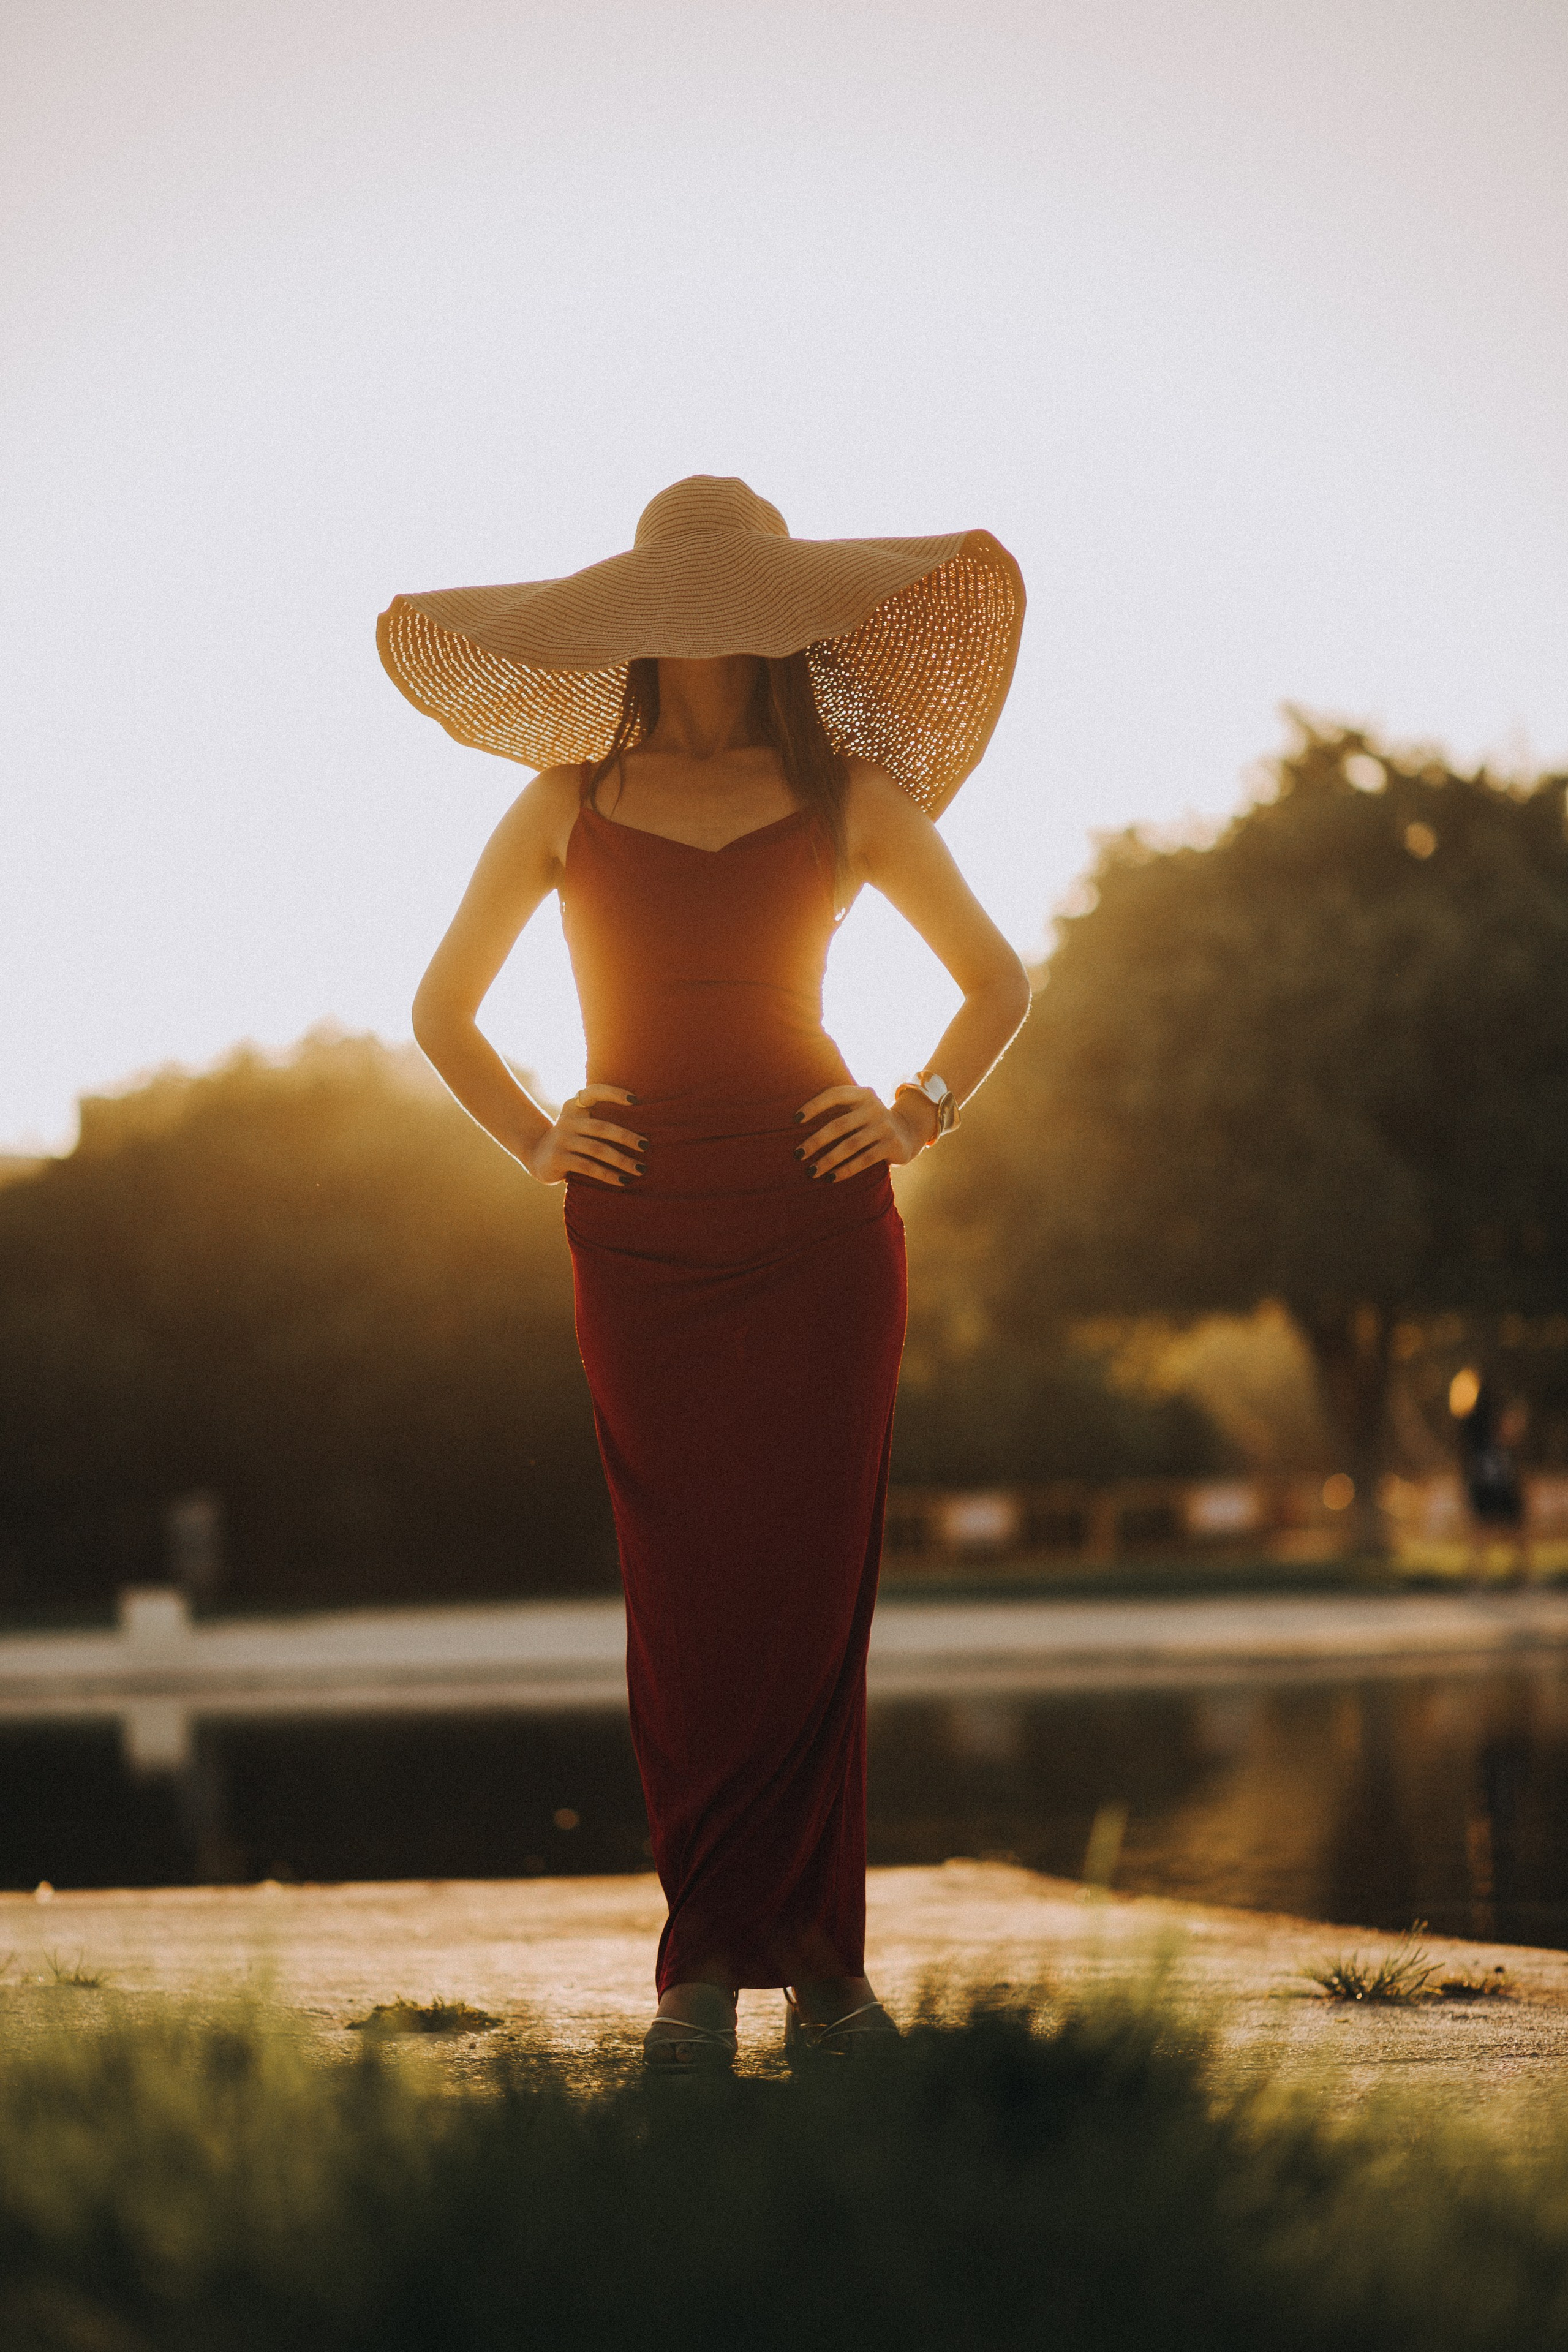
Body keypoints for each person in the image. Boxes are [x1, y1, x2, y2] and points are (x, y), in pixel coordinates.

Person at [380, 476, 1030, 2068]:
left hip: (821, 1234)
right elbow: (442, 1013)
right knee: (687, 1604)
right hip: (646, 1235)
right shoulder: (562, 801)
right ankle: (700, 1984)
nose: (707, 643)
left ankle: (821, 1980)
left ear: (778, 626)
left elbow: (1000, 982)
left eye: (738, 613)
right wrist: (538, 1140)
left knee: (814, 1608)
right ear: (633, 628)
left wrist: (918, 1112)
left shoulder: (851, 795)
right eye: (677, 612)